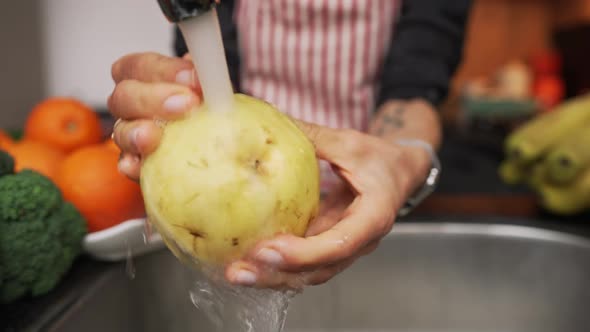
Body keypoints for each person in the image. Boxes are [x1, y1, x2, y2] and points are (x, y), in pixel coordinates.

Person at [109, 0, 473, 289]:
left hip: (379, 206)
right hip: (232, 231)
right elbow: (209, 62)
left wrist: (401, 158)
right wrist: (174, 104)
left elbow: (415, 82)